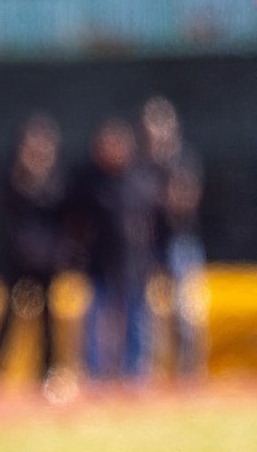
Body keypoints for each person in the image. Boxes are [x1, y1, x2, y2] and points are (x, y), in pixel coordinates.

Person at [66, 119, 158, 382]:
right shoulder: (89, 183)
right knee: (96, 318)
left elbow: (151, 221)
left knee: (136, 319)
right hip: (99, 262)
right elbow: (75, 221)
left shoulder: (139, 179)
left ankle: (135, 373)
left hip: (133, 261)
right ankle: (95, 374)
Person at [0, 113, 67, 385]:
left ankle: (48, 370)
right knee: (7, 313)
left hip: (45, 258)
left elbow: (63, 214)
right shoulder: (11, 176)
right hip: (16, 257)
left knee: (47, 315)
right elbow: (3, 210)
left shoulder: (57, 180)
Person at [139, 97, 206, 376]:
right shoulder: (141, 163)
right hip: (149, 243)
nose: (157, 131)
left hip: (181, 242)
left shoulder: (183, 159)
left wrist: (164, 197)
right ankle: (150, 374)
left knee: (188, 313)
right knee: (148, 316)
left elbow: (185, 200)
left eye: (161, 124)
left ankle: (190, 373)